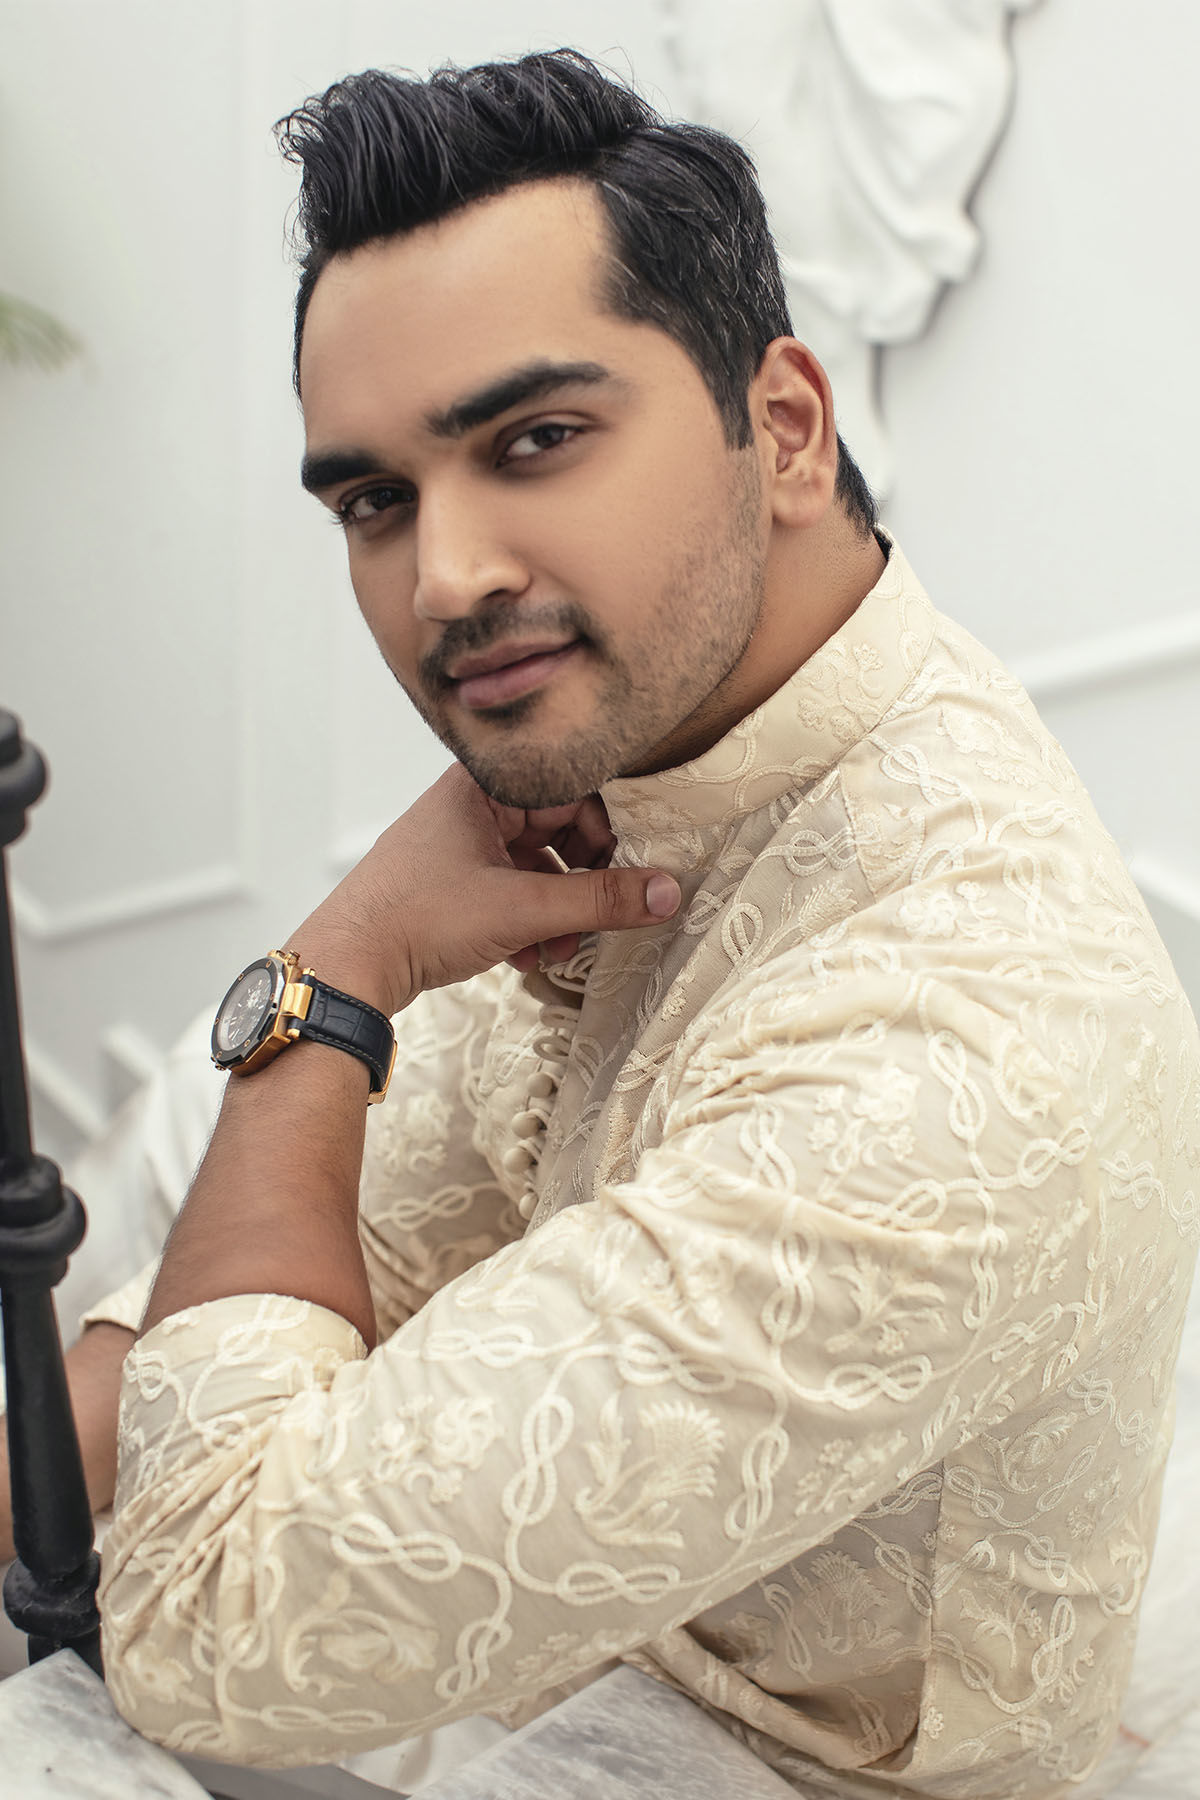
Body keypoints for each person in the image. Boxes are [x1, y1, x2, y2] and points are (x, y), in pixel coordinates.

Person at [13, 47, 1198, 1800]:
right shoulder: (654, 773)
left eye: (536, 440)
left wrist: (326, 988)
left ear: (782, 428)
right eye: (376, 500)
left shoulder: (961, 1027)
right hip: (542, 1667)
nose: (446, 576)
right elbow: (382, 1244)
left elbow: (209, 1624)